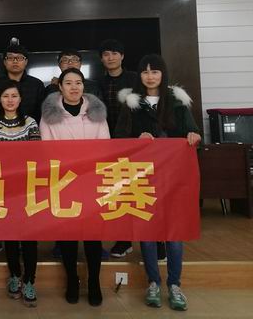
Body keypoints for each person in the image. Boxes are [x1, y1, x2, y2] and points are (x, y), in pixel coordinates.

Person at [115, 54, 201, 312]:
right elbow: (118, 139)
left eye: (155, 72)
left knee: (174, 234)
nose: (150, 76)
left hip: (174, 177)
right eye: (145, 72)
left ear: (163, 74)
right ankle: (153, 282)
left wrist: (194, 136)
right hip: (142, 177)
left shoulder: (177, 100)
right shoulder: (131, 103)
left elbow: (193, 133)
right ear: (139, 75)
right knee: (147, 232)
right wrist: (136, 139)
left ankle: (174, 285)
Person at [40, 68, 110, 307]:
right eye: (68, 83)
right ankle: (72, 279)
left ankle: (94, 282)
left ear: (83, 86)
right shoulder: (49, 115)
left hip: (91, 181)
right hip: (63, 182)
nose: (74, 87)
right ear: (60, 87)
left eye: (78, 83)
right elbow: (46, 149)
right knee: (68, 236)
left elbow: (105, 147)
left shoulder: (97, 113)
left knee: (93, 236)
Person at [0, 41, 44, 257]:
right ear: (4, 61)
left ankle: (25, 239)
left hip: (27, 145)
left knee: (23, 202)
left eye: (19, 58)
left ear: (26, 62)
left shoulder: (36, 84)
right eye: (10, 58)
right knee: (0, 201)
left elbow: (41, 114)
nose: (15, 62)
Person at [0, 80, 40, 307]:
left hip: (28, 189)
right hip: (4, 189)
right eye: (6, 96)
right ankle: (15, 276)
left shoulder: (30, 123)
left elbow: (36, 154)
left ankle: (30, 281)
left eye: (14, 96)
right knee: (9, 236)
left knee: (29, 238)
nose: (10, 100)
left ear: (20, 99)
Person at [97, 40, 139, 259]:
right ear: (101, 59)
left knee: (135, 191)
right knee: (114, 192)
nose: (110, 57)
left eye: (115, 53)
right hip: (105, 143)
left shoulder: (135, 78)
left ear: (122, 56)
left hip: (132, 143)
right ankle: (123, 239)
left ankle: (154, 241)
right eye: (106, 54)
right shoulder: (97, 82)